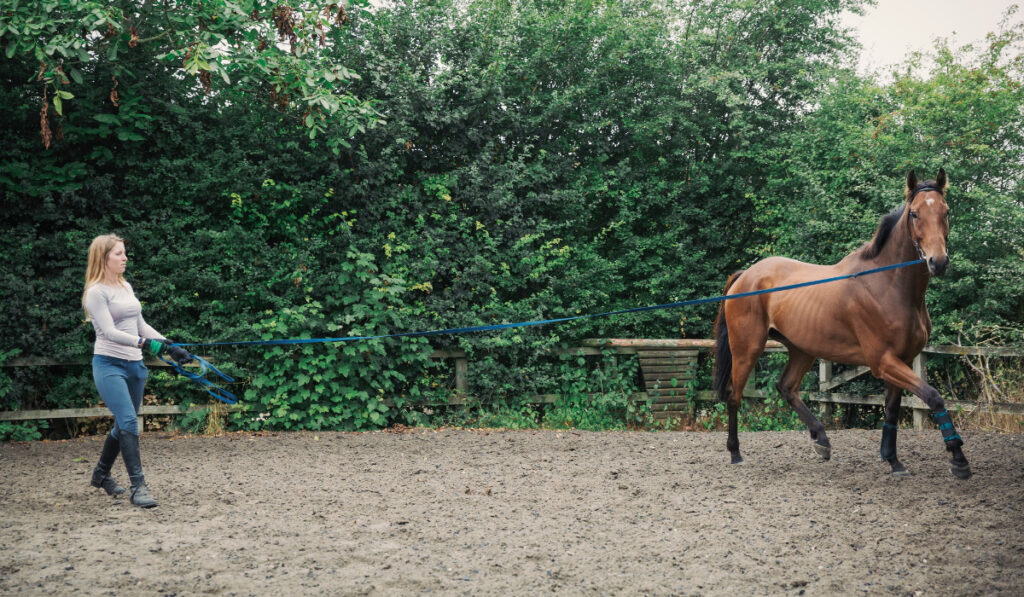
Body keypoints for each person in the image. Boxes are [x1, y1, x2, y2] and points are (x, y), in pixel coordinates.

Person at [82, 234, 192, 508]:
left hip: (135, 366)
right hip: (109, 365)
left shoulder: (125, 286)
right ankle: (138, 486)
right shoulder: (96, 292)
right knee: (130, 422)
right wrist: (144, 344)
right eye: (119, 253)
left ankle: (101, 474)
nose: (125, 258)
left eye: (124, 253)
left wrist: (169, 345)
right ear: (104, 258)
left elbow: (140, 325)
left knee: (123, 424)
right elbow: (109, 332)